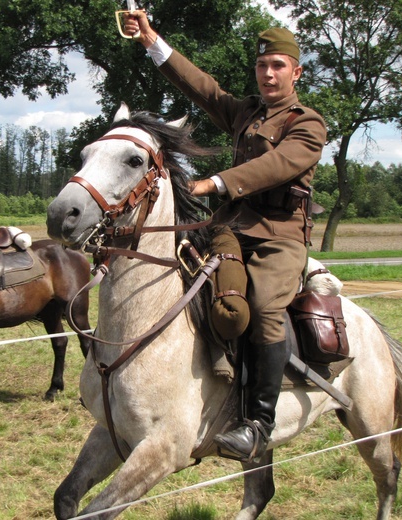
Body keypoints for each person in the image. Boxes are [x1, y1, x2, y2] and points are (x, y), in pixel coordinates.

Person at [124, 14, 327, 462]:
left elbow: (273, 167)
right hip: (230, 229)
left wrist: (214, 183)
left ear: (296, 72)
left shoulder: (308, 125)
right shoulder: (246, 112)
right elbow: (202, 87)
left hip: (279, 237)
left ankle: (258, 423)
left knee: (262, 308)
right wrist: (151, 40)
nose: (268, 74)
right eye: (262, 67)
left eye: (278, 65)